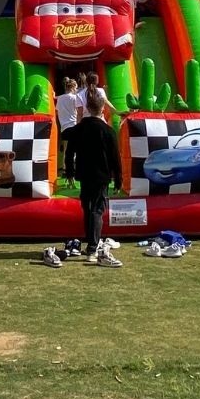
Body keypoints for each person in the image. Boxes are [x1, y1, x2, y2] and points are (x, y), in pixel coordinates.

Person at [72, 91, 123, 267]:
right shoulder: (108, 131)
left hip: (84, 174)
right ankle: (93, 248)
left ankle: (91, 243)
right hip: (101, 175)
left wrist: (70, 171)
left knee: (88, 208)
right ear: (103, 109)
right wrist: (118, 179)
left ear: (87, 107)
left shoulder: (79, 129)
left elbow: (70, 151)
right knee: (97, 209)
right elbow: (115, 157)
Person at [54, 76, 82, 182]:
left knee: (67, 151)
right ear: (73, 87)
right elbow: (79, 111)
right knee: (77, 150)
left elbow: (57, 112)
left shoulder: (60, 98)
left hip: (64, 128)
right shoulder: (75, 98)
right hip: (74, 126)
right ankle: (75, 172)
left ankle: (67, 173)